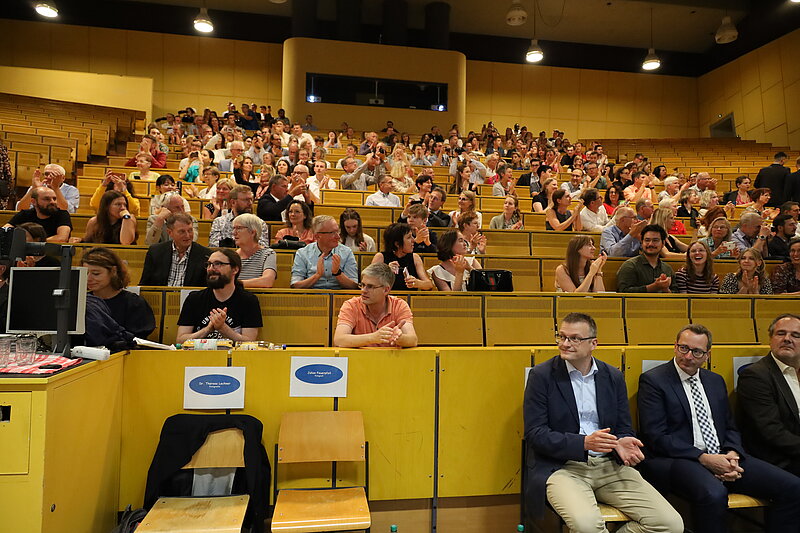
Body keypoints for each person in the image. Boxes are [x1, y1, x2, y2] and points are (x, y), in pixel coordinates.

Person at [523, 313, 683, 532]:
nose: (565, 344)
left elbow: (623, 427)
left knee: (670, 524)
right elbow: (535, 433)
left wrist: (621, 441)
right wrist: (583, 443)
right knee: (587, 526)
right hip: (562, 467)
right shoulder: (542, 376)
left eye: (574, 338)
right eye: (561, 336)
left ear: (593, 343)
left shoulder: (613, 376)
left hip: (610, 466)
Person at [637, 324, 800, 533]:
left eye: (697, 352)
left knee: (793, 488)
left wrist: (733, 453)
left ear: (707, 355)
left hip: (723, 456)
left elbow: (730, 427)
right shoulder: (654, 380)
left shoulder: (714, 381)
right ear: (675, 346)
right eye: (683, 348)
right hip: (681, 458)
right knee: (714, 494)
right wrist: (704, 458)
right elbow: (655, 436)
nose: (688, 356)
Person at [738, 314, 800, 476]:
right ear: (771, 339)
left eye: (796, 335)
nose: (787, 339)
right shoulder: (755, 376)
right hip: (779, 459)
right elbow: (772, 432)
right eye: (781, 333)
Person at [176, 248, 261, 342]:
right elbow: (180, 340)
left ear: (235, 269)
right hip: (200, 351)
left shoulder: (249, 301)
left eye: (218, 264)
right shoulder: (194, 299)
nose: (211, 269)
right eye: (209, 264)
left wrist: (223, 328)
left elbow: (249, 342)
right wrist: (207, 329)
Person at [333, 263, 418, 348]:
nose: (363, 290)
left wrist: (399, 338)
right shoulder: (351, 305)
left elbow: (413, 340)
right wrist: (373, 337)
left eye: (370, 287)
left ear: (386, 290)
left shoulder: (399, 305)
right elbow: (339, 339)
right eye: (362, 285)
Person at [81, 247, 155, 340]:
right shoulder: (81, 302)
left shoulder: (134, 303)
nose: (88, 278)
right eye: (85, 273)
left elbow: (137, 340)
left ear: (113, 271)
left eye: (96, 273)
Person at [140, 212, 212, 287]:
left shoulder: (205, 255)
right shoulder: (155, 252)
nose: (187, 236)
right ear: (170, 232)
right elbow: (144, 286)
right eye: (182, 231)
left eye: (190, 230)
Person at [290, 215, 359, 289]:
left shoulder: (347, 252)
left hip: (338, 295)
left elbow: (354, 286)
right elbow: (295, 286)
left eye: (337, 231)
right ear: (317, 236)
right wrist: (317, 275)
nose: (338, 237)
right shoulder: (302, 253)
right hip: (312, 295)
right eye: (332, 233)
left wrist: (338, 273)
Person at [371, 223, 434, 291]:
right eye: (409, 237)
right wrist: (386, 272)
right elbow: (369, 282)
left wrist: (417, 283)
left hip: (409, 297)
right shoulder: (380, 257)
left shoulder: (415, 257)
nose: (413, 240)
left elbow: (429, 285)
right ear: (397, 244)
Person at [616, 224, 676, 293]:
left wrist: (666, 289)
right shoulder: (630, 266)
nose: (650, 244)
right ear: (642, 243)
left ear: (663, 244)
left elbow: (676, 294)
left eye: (655, 240)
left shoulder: (667, 269)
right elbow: (623, 291)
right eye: (647, 240)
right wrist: (654, 287)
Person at [4, 186, 71, 243]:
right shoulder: (25, 214)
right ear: (34, 202)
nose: (52, 202)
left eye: (54, 199)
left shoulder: (62, 214)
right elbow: (4, 231)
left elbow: (61, 238)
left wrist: (31, 242)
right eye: (47, 199)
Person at [232, 213, 277, 288]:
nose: (234, 233)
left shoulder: (268, 254)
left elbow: (267, 281)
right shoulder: (232, 256)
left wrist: (236, 285)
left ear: (253, 232)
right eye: (233, 228)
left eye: (239, 228)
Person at [15, 164, 79, 214]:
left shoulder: (71, 190)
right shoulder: (36, 187)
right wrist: (34, 189)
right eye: (46, 174)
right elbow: (20, 209)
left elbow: (67, 211)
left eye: (53, 175)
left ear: (63, 178)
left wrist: (55, 188)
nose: (48, 177)